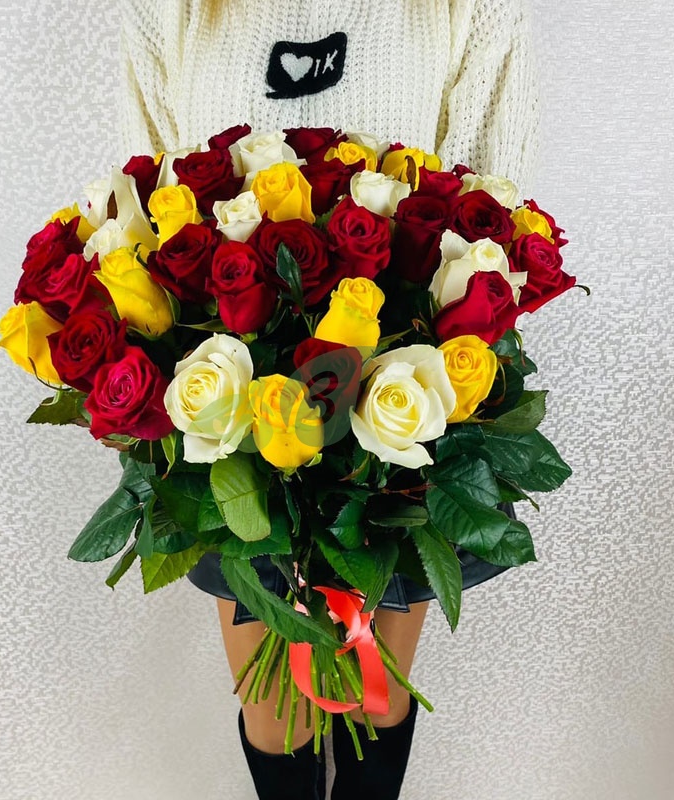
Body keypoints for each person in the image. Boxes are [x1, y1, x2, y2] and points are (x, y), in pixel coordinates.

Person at [116, 1, 540, 797]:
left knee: (375, 698)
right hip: (231, 413)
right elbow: (143, 215)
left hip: (402, 407)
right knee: (277, 716)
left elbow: (498, 220)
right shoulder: (170, 10)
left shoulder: (467, 9)